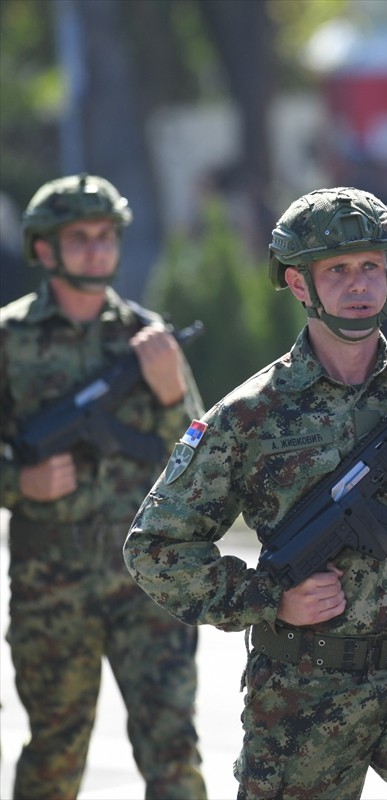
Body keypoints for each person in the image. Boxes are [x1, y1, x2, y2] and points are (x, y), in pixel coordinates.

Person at [122, 187, 387, 798]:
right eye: (337, 270)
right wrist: (269, 598)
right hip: (301, 692)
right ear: (298, 283)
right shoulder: (250, 415)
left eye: (371, 266)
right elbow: (155, 549)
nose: (359, 284)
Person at [1, 173, 207, 798]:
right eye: (80, 238)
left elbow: (202, 456)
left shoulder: (148, 337)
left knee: (172, 750)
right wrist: (19, 482)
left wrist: (170, 395)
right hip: (51, 583)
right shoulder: (9, 340)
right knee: (55, 754)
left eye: (106, 236)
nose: (97, 250)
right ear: (44, 249)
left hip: (147, 578)